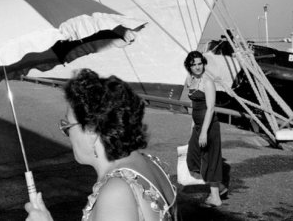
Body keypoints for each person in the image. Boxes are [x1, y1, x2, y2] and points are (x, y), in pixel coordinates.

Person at [24, 68, 177, 221]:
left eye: (68, 126)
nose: (67, 134)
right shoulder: (149, 164)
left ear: (91, 130)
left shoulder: (115, 193)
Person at [184, 50, 224, 207]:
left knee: (210, 159)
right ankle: (219, 187)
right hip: (198, 125)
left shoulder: (207, 82)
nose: (198, 67)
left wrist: (204, 133)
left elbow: (210, 108)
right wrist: (193, 126)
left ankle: (216, 198)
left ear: (204, 64)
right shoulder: (191, 81)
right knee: (192, 157)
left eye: (200, 64)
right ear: (189, 66)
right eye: (194, 65)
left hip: (209, 127)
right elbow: (194, 106)